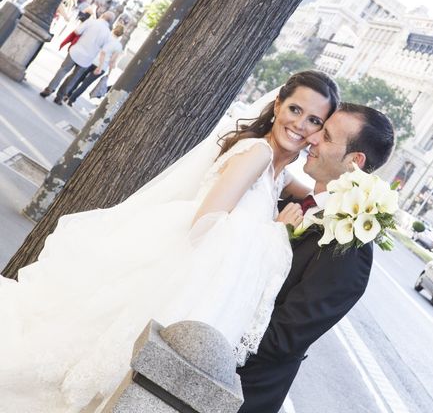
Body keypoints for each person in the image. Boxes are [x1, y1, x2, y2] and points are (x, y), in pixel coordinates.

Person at [0, 71, 340, 412]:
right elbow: (205, 223)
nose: (300, 125)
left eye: (314, 120)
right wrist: (275, 230)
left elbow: (312, 190)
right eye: (294, 110)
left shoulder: (277, 170)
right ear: (278, 104)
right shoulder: (258, 155)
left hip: (197, 279)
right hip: (178, 274)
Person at [237, 102, 395, 413]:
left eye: (327, 137)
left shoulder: (350, 248)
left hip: (240, 391)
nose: (312, 139)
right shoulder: (290, 199)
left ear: (355, 161)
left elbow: (283, 339)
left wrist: (215, 331)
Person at [39, 11, 114, 104]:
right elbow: (104, 51)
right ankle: (60, 97)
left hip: (76, 51)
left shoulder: (91, 22)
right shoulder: (108, 34)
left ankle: (49, 89)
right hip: (87, 59)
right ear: (110, 22)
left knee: (63, 70)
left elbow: (77, 31)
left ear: (103, 15)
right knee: (73, 78)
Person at [64, 23, 124, 106]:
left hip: (91, 60)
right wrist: (108, 73)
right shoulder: (118, 46)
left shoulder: (106, 37)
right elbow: (112, 61)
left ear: (114, 29)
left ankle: (67, 94)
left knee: (79, 79)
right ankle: (72, 99)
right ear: (121, 35)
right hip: (102, 67)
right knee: (86, 84)